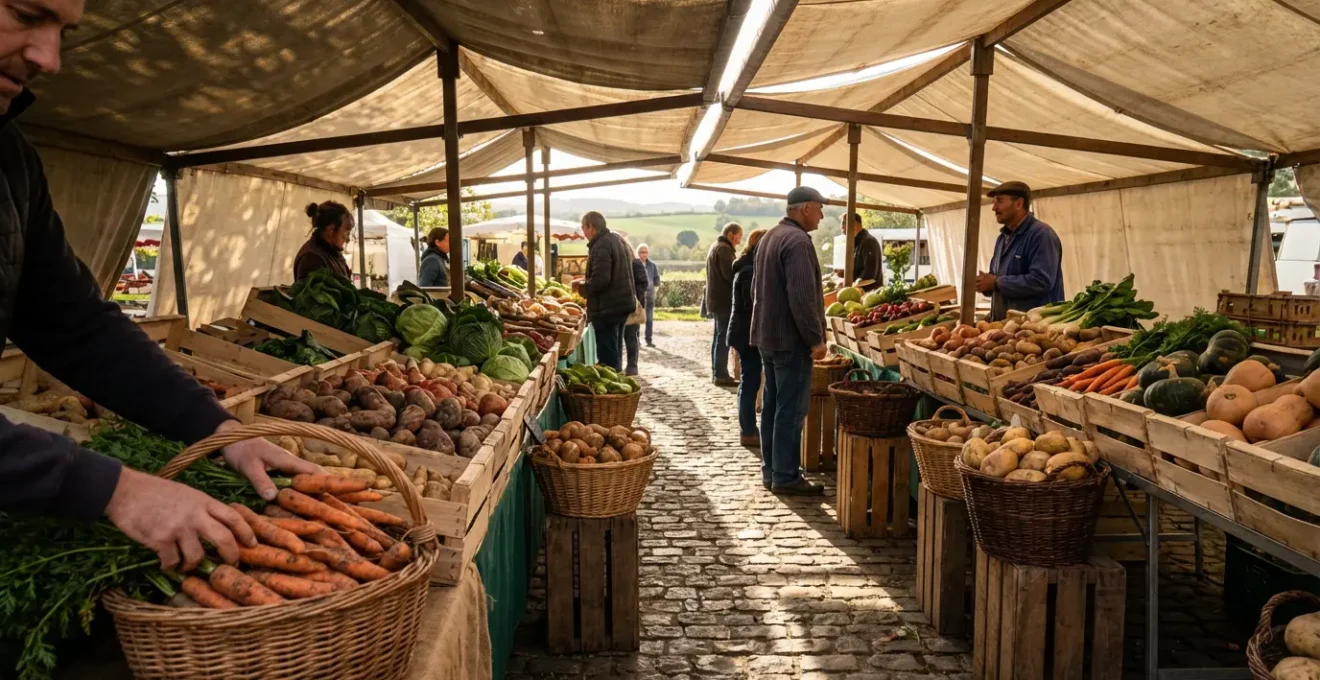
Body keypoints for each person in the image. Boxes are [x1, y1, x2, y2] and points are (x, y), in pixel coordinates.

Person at [0, 1, 319, 573]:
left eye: (63, 32)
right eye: (24, 14)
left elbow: (76, 325)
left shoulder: (11, 160)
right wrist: (115, 489)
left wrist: (218, 429)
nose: (48, 59)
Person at [750, 187, 829, 496]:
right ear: (806, 208)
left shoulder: (770, 237)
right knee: (790, 410)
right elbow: (801, 298)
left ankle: (771, 471)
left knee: (772, 406)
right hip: (790, 341)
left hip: (769, 337)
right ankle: (784, 475)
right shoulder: (797, 242)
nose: (822, 215)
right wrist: (815, 339)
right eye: (820, 209)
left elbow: (758, 292)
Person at [975, 181, 1065, 321]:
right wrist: (985, 284)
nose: (994, 208)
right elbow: (998, 279)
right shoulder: (1002, 239)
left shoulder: (1041, 235)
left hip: (1034, 328)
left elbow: (1042, 281)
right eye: (994, 202)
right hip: (1006, 326)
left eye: (999, 201)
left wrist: (996, 283)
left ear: (1018, 204)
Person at [576, 212, 635, 371]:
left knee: (608, 355)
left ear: (590, 226)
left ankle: (613, 391)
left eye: (584, 228)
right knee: (615, 351)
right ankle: (618, 382)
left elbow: (601, 280)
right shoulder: (614, 240)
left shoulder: (601, 244)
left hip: (608, 308)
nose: (584, 233)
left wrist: (581, 287)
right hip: (619, 305)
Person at [728, 228, 767, 449]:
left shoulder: (747, 266)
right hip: (747, 334)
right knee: (750, 381)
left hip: (745, 332)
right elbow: (751, 303)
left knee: (748, 380)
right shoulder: (750, 270)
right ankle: (749, 431)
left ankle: (749, 428)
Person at [703, 222, 743, 386]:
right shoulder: (724, 250)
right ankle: (720, 374)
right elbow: (730, 275)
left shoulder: (716, 246)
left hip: (716, 300)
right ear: (731, 235)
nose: (739, 242)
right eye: (739, 237)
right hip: (723, 301)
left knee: (718, 337)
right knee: (722, 338)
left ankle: (718, 372)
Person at [293, 201, 354, 282]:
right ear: (331, 230)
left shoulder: (334, 253)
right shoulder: (311, 258)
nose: (348, 239)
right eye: (346, 233)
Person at [621, 239, 648, 377]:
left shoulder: (635, 263)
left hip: (633, 307)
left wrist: (633, 296)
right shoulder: (620, 263)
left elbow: (643, 283)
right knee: (622, 338)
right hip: (620, 306)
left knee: (631, 337)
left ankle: (632, 365)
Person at [848, 213, 883, 287]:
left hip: (869, 294)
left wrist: (855, 284)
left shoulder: (868, 242)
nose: (841, 227)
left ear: (854, 223)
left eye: (844, 223)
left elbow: (870, 274)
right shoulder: (857, 242)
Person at [637, 243, 660, 347]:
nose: (644, 254)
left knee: (649, 319)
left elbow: (657, 279)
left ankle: (649, 340)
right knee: (636, 320)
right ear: (638, 253)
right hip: (638, 297)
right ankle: (636, 340)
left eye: (646, 252)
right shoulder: (635, 265)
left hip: (650, 296)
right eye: (642, 252)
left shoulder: (652, 265)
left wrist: (653, 286)